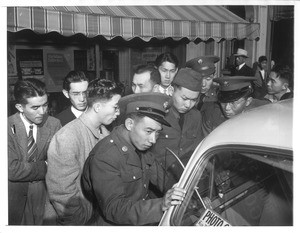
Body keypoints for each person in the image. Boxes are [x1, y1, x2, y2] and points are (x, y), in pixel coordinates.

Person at [81, 92, 186, 225]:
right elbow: (115, 209)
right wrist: (161, 205)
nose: (153, 140)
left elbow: (162, 179)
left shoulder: (141, 146)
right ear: (130, 124)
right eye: (148, 131)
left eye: (157, 133)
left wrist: (180, 188)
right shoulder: (105, 156)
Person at [46, 79, 123, 225]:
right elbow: (62, 194)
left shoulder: (105, 133)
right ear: (98, 107)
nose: (118, 113)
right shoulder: (67, 137)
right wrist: (82, 221)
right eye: (115, 107)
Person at [8, 78, 61, 225]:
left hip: (45, 196)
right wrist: (45, 164)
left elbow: (59, 163)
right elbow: (12, 170)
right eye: (35, 108)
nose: (42, 112)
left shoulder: (54, 124)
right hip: (15, 198)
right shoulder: (5, 127)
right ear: (19, 107)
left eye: (45, 105)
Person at [150, 68, 204, 191]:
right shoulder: (159, 113)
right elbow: (148, 156)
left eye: (194, 100)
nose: (188, 105)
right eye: (184, 98)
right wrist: (165, 186)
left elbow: (196, 150)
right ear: (172, 90)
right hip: (159, 183)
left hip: (187, 180)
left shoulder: (196, 116)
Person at [201, 76, 269, 136]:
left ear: (248, 101)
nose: (227, 108)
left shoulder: (262, 115)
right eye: (223, 102)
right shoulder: (211, 114)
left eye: (233, 103)